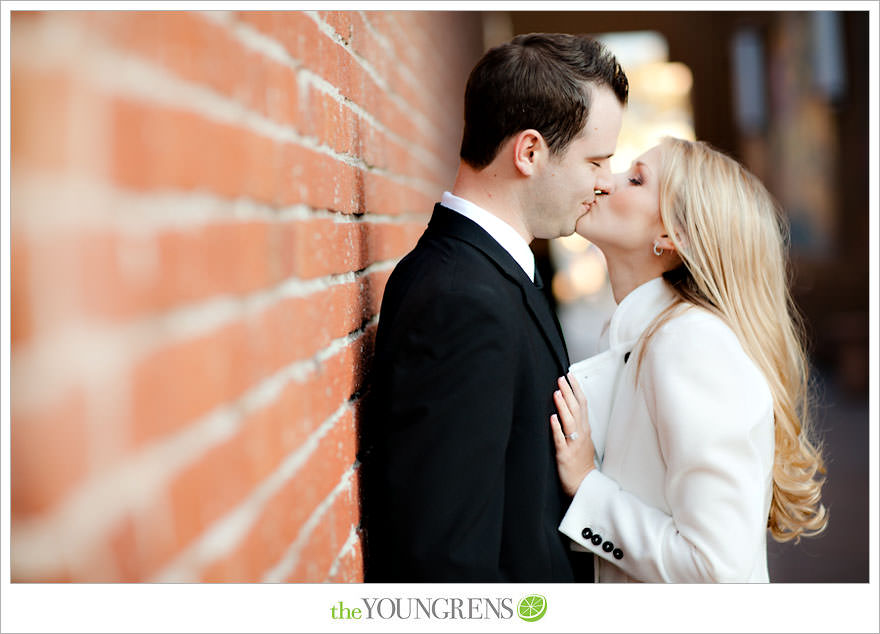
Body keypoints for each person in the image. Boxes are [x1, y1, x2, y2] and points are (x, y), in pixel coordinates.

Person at [359, 33, 628, 582]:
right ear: (529, 152)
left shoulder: (493, 274)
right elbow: (447, 561)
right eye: (596, 161)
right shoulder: (462, 299)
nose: (605, 184)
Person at [549, 137, 829, 582]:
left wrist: (587, 487)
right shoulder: (649, 336)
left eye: (635, 179)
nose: (605, 180)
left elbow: (717, 569)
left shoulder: (689, 343)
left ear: (671, 235)